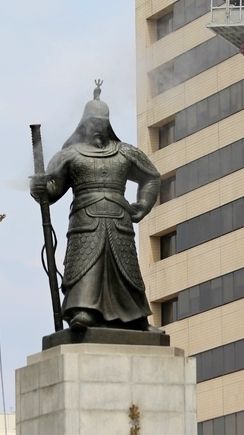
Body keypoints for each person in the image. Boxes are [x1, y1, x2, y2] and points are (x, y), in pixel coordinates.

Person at [30, 82, 162, 333]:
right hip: (85, 222)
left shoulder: (125, 153)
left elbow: (151, 177)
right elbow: (53, 192)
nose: (98, 130)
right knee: (85, 265)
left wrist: (142, 205)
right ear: (84, 124)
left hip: (119, 221)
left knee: (127, 271)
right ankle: (83, 311)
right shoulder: (70, 155)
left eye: (102, 124)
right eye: (93, 124)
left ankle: (136, 319)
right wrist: (39, 189)